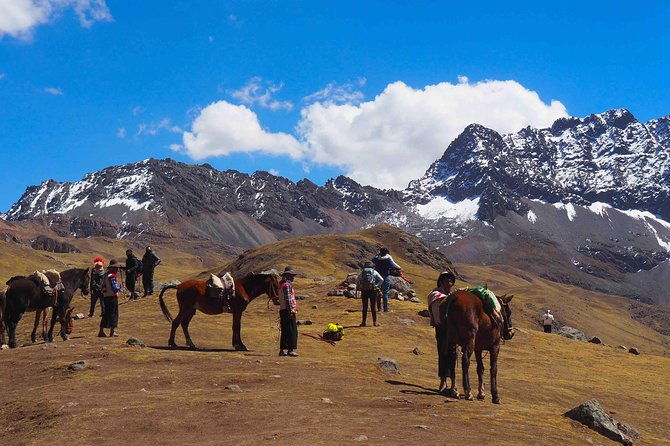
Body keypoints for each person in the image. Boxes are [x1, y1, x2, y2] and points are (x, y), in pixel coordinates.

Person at [427, 271, 456, 394]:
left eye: (451, 281)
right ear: (441, 282)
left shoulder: (451, 295)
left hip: (453, 330)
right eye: (447, 281)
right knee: (443, 353)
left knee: (453, 354)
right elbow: (434, 300)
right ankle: (443, 381)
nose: (449, 283)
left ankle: (453, 383)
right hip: (442, 328)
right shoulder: (435, 294)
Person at [372, 247, 401, 313]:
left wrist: (377, 254)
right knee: (385, 292)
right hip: (385, 276)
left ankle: (379, 309)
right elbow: (395, 266)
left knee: (378, 291)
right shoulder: (388, 259)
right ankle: (385, 309)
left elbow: (373, 259)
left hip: (377, 276)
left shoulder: (376, 259)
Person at [278, 266, 299, 357]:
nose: (293, 277)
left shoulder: (281, 285)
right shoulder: (287, 285)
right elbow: (288, 299)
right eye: (291, 276)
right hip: (288, 310)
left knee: (285, 330)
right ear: (288, 276)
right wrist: (290, 310)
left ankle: (282, 350)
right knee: (292, 330)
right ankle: (290, 349)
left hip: (283, 310)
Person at [356, 261, 383, 327]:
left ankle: (363, 322)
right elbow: (381, 280)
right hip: (372, 290)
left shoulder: (362, 272)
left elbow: (357, 280)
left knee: (364, 307)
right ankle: (375, 322)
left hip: (364, 291)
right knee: (373, 306)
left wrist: (359, 286)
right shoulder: (374, 272)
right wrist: (377, 286)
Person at [99, 259, 121, 337]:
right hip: (112, 296)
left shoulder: (105, 275)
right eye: (115, 268)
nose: (117, 269)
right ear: (112, 268)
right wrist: (119, 288)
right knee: (114, 314)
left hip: (106, 296)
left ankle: (101, 331)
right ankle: (112, 331)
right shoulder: (112, 276)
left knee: (106, 314)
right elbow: (114, 287)